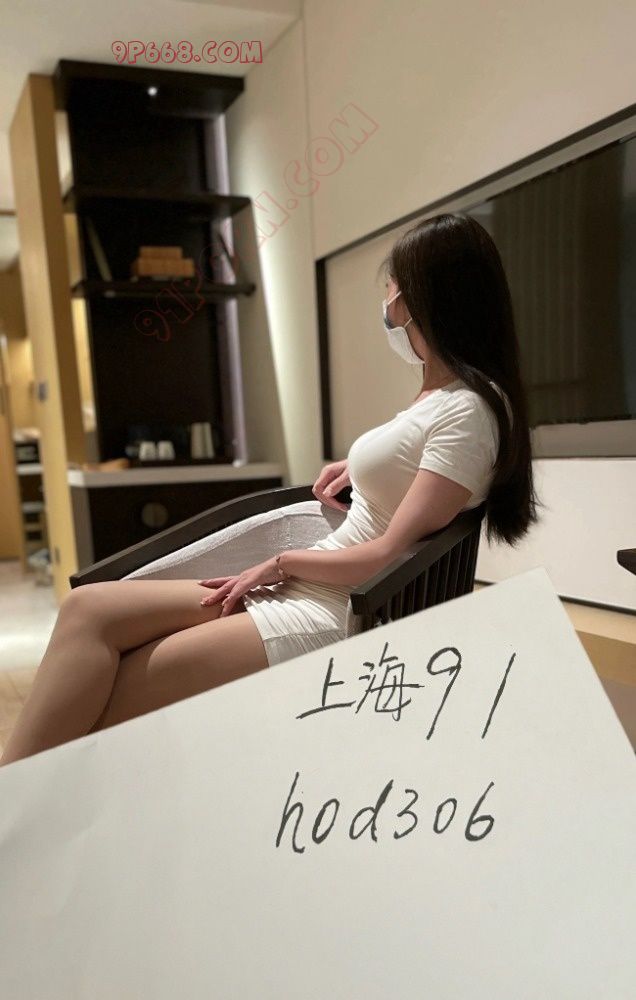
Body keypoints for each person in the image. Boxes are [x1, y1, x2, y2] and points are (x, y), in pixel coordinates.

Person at [0, 212, 540, 767]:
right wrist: (358, 469)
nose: (388, 304)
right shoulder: (442, 395)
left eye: (393, 288)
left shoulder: (470, 412)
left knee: (115, 693)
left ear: (427, 299)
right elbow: (412, 467)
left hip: (336, 608)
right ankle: (16, 792)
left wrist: (279, 563)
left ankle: (22, 797)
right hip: (310, 584)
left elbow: (382, 555)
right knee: (88, 609)